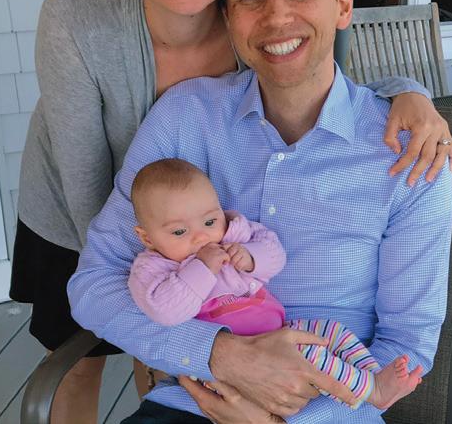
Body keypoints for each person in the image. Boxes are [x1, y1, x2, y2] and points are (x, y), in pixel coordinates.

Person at [8, 0, 452, 424]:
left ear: (343, 4)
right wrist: (220, 358)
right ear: (228, 13)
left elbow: (406, 350)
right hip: (184, 386)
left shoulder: (410, 154)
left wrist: (280, 414)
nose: (277, 18)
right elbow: (97, 274)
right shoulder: (181, 109)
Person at [128, 158, 424, 413]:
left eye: (209, 222)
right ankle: (371, 392)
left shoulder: (233, 234)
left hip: (280, 329)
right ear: (147, 237)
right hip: (232, 366)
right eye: (180, 231)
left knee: (333, 332)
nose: (201, 237)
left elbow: (275, 254)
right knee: (311, 357)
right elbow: (165, 311)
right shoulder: (154, 268)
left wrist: (250, 257)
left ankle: (373, 375)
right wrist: (202, 268)